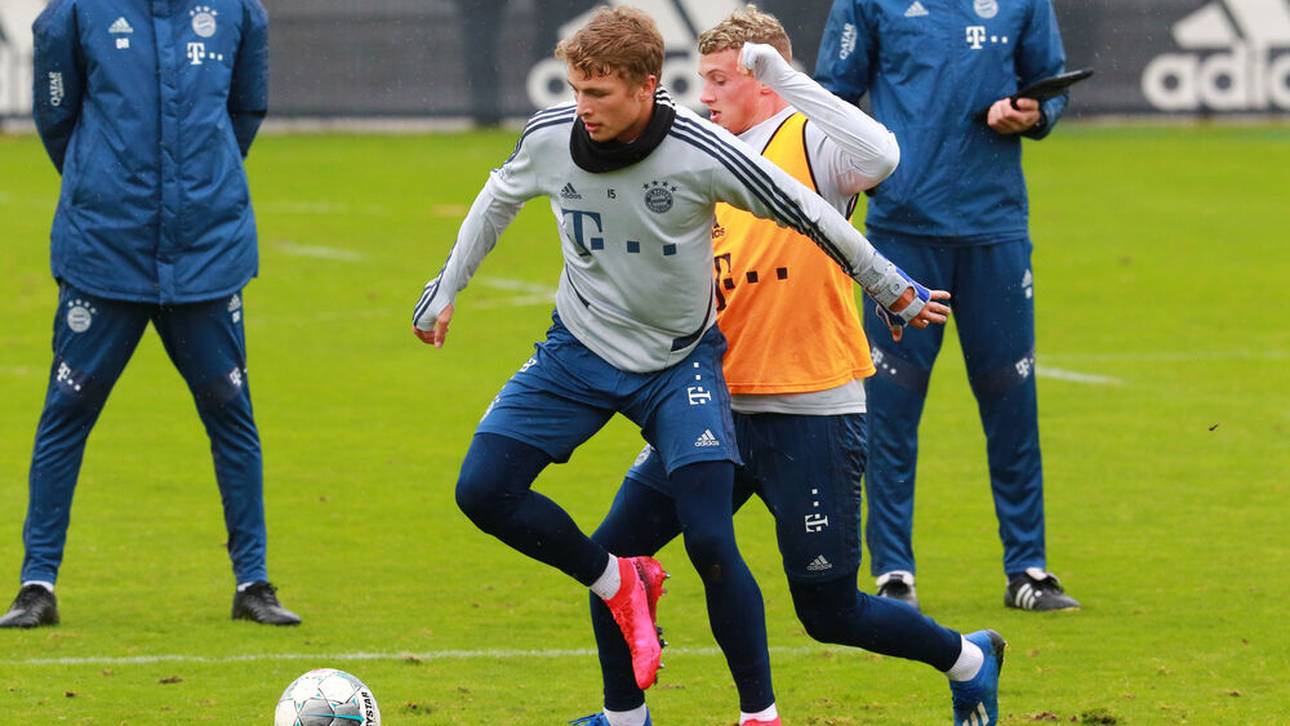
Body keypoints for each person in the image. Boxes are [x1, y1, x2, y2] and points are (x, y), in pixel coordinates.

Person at [409, 6, 949, 721]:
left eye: (597, 93)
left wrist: (892, 287)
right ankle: (619, 602)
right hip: (585, 351)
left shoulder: (723, 150)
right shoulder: (555, 136)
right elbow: (496, 198)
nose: (582, 108)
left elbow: (826, 205)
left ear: (644, 86)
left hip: (711, 374)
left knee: (745, 560)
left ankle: (774, 709)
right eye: (574, 89)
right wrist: (444, 290)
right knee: (486, 492)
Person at [577, 8, 1004, 726]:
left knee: (829, 611)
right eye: (700, 78)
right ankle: (625, 719)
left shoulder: (812, 140)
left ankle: (968, 658)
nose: (704, 93)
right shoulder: (703, 149)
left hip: (811, 409)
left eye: (720, 79)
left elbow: (883, 155)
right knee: (609, 563)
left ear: (764, 79)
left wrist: (789, 79)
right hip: (708, 407)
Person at [0, 0, 299, 628]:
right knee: (68, 411)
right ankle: (37, 584)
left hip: (207, 256)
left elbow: (245, 113)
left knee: (230, 414)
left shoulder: (239, 12)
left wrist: (198, 188)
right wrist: (101, 182)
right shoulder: (76, 13)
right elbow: (58, 120)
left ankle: (255, 583)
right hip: (103, 252)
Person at [814, 0, 1081, 613]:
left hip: (995, 227)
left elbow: (1051, 85)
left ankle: (1028, 570)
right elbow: (830, 98)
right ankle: (893, 574)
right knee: (890, 409)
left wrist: (1033, 112)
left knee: (1012, 403)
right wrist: (870, 178)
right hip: (903, 234)